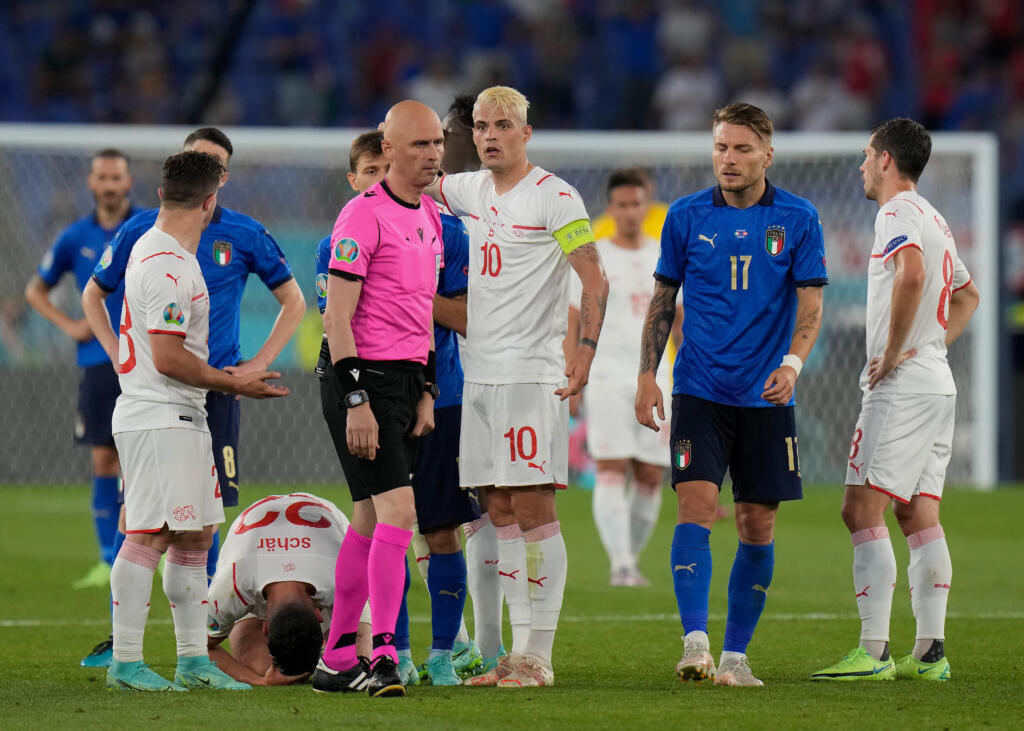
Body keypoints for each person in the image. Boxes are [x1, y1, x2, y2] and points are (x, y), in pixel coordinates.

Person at [79, 127, 305, 667]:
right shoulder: (164, 260)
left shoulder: (180, 248)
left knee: (196, 531)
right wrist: (237, 381)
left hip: (190, 406)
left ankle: (194, 657)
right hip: (165, 407)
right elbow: (169, 356)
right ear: (209, 196)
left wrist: (244, 371)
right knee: (148, 532)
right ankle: (128, 661)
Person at [636, 103, 827, 687]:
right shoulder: (686, 216)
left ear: (767, 154)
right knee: (694, 508)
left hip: (767, 397)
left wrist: (793, 365)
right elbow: (663, 301)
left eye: (742, 149)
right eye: (721, 147)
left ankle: (736, 657)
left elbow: (811, 305)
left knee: (755, 523)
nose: (729, 159)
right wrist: (648, 375)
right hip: (700, 390)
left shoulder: (798, 217)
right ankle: (696, 642)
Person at [430, 85, 609, 688]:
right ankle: (512, 653)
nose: (489, 135)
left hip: (529, 375)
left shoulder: (554, 196)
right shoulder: (468, 190)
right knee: (499, 509)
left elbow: (594, 278)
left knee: (533, 507)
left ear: (525, 133)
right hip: (477, 375)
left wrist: (583, 352)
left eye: (502, 125)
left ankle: (540, 653)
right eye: (481, 125)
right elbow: (410, 181)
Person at [811, 119, 978, 682]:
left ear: (885, 159)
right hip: (938, 380)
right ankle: (931, 653)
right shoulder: (937, 217)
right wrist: (928, 345)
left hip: (904, 386)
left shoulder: (896, 212)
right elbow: (969, 296)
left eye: (865, 155)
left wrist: (894, 349)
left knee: (860, 509)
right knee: (917, 512)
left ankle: (874, 653)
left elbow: (909, 275)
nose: (861, 166)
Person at [313, 100, 444, 698]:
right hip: (356, 378)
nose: (433, 154)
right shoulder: (361, 216)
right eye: (419, 145)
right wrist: (357, 401)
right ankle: (384, 655)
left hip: (405, 382)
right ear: (388, 150)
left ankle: (337, 655)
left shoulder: (433, 219)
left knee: (369, 518)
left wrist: (428, 390)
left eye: (438, 143)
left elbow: (423, 316)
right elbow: (336, 321)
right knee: (401, 513)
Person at [23, 148, 142, 590]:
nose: (110, 185)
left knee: (148, 458)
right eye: (102, 178)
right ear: (91, 184)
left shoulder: (148, 226)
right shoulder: (75, 237)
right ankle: (107, 559)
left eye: (117, 178)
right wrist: (71, 325)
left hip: (146, 358)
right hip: (97, 361)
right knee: (104, 458)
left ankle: (155, 552)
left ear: (129, 182)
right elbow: (35, 289)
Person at [568, 168, 679, 587]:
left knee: (651, 473)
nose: (630, 212)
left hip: (657, 374)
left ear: (646, 205)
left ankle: (630, 558)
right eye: (622, 205)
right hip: (608, 374)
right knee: (612, 466)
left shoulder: (663, 253)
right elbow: (574, 317)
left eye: (637, 204)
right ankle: (621, 564)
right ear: (610, 208)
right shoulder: (594, 257)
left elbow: (679, 318)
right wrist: (575, 369)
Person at [206, 492, 371, 686]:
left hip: (325, 539)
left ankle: (317, 653)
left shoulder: (340, 576)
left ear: (320, 616)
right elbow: (194, 647)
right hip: (260, 553)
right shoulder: (232, 585)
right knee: (257, 665)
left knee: (358, 660)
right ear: (265, 625)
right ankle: (315, 656)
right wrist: (259, 679)